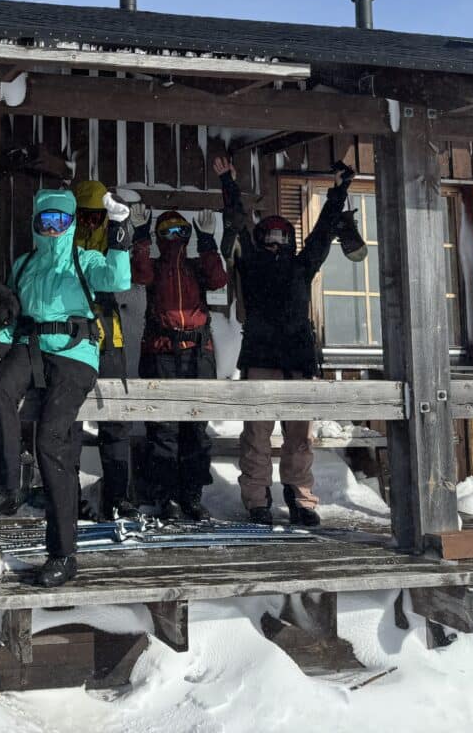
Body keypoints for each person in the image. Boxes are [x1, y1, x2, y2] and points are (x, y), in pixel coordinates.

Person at [0, 187, 133, 588]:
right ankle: (6, 489)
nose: (54, 227)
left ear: (71, 223)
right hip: (30, 347)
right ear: (36, 224)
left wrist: (119, 228)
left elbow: (118, 278)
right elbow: (12, 315)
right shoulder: (25, 264)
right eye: (47, 220)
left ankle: (62, 553)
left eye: (61, 220)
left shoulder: (84, 259)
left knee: (51, 439)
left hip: (75, 353)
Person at [217, 155, 351, 527]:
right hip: (260, 359)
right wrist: (228, 182)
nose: (276, 241)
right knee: (256, 437)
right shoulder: (251, 263)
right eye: (270, 236)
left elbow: (323, 232)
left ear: (290, 240)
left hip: (298, 362)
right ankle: (256, 501)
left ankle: (300, 499)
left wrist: (339, 191)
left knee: (300, 438)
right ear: (261, 239)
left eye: (282, 236)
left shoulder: (302, 265)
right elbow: (239, 220)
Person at [132, 202, 229, 521]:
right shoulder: (155, 267)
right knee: (163, 427)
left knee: (196, 427)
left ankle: (191, 494)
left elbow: (218, 280)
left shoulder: (196, 266)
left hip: (198, 353)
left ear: (188, 235)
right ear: (160, 236)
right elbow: (139, 273)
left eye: (180, 230)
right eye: (167, 231)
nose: (174, 236)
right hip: (161, 352)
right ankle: (166, 494)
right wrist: (141, 235)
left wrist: (207, 241)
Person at [71, 179, 137, 520]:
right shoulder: (63, 236)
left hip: (108, 334)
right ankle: (67, 494)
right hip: (71, 337)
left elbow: (126, 269)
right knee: (67, 417)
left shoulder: (116, 235)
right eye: (84, 215)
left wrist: (120, 225)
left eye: (97, 216)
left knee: (115, 417)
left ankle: (118, 496)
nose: (90, 222)